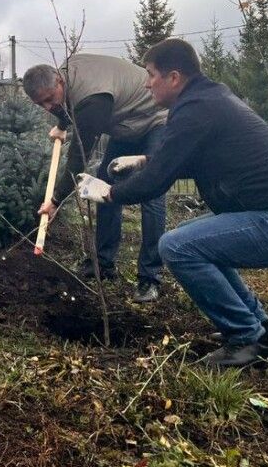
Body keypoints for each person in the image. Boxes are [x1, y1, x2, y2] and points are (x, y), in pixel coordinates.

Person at [50, 38, 268, 368]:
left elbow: (157, 182)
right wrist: (144, 160)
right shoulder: (206, 100)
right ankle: (263, 331)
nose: (146, 82)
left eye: (152, 74)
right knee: (193, 237)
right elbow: (182, 157)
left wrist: (109, 193)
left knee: (178, 246)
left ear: (174, 77)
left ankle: (246, 338)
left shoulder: (197, 108)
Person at [22, 54, 168, 303]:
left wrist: (56, 200)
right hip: (126, 124)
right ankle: (103, 265)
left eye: (49, 99)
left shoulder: (93, 98)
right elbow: (66, 104)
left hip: (155, 120)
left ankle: (149, 278)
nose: (47, 106)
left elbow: (80, 156)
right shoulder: (67, 73)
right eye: (40, 104)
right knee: (104, 187)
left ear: (59, 80)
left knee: (151, 192)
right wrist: (62, 123)